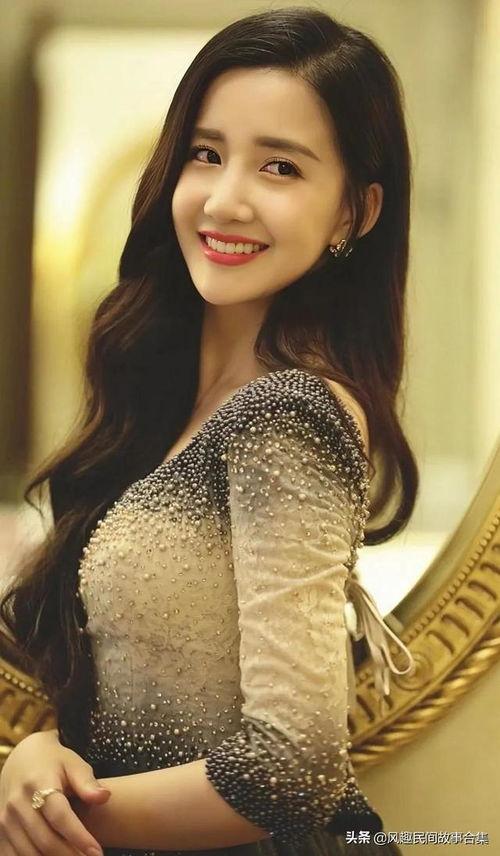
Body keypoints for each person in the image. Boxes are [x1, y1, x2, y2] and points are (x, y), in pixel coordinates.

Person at [0, 5, 419, 855]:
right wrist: (40, 752)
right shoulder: (165, 402)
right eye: (206, 153)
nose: (225, 201)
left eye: (280, 167)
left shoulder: (288, 417)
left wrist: (56, 820)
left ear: (354, 212)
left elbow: (292, 769)